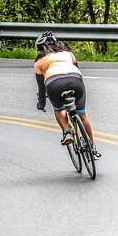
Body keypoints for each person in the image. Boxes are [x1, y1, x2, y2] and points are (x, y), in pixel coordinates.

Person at [34, 31, 101, 159]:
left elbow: (41, 87)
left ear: (39, 49)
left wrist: (41, 104)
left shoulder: (39, 61)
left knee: (59, 109)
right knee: (82, 115)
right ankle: (92, 149)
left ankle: (66, 131)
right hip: (75, 80)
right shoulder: (68, 53)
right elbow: (76, 69)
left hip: (55, 84)